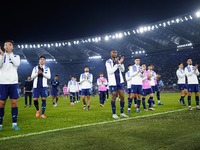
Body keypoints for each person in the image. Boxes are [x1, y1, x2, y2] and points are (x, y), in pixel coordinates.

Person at [0, 40, 21, 131]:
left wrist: (10, 54)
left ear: (12, 47)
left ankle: (14, 124)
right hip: (2, 83)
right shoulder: (1, 56)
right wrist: (1, 56)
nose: (7, 46)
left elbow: (17, 64)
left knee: (14, 103)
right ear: (3, 47)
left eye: (9, 45)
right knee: (1, 104)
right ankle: (0, 125)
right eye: (5, 45)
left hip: (13, 83)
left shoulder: (16, 56)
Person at [106, 50, 129, 118]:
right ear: (111, 54)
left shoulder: (118, 61)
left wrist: (121, 63)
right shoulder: (108, 62)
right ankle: (114, 114)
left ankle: (122, 113)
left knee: (122, 97)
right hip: (113, 82)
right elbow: (110, 71)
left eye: (116, 52)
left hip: (119, 81)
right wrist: (117, 64)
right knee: (114, 97)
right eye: (113, 52)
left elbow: (122, 70)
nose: (115, 54)